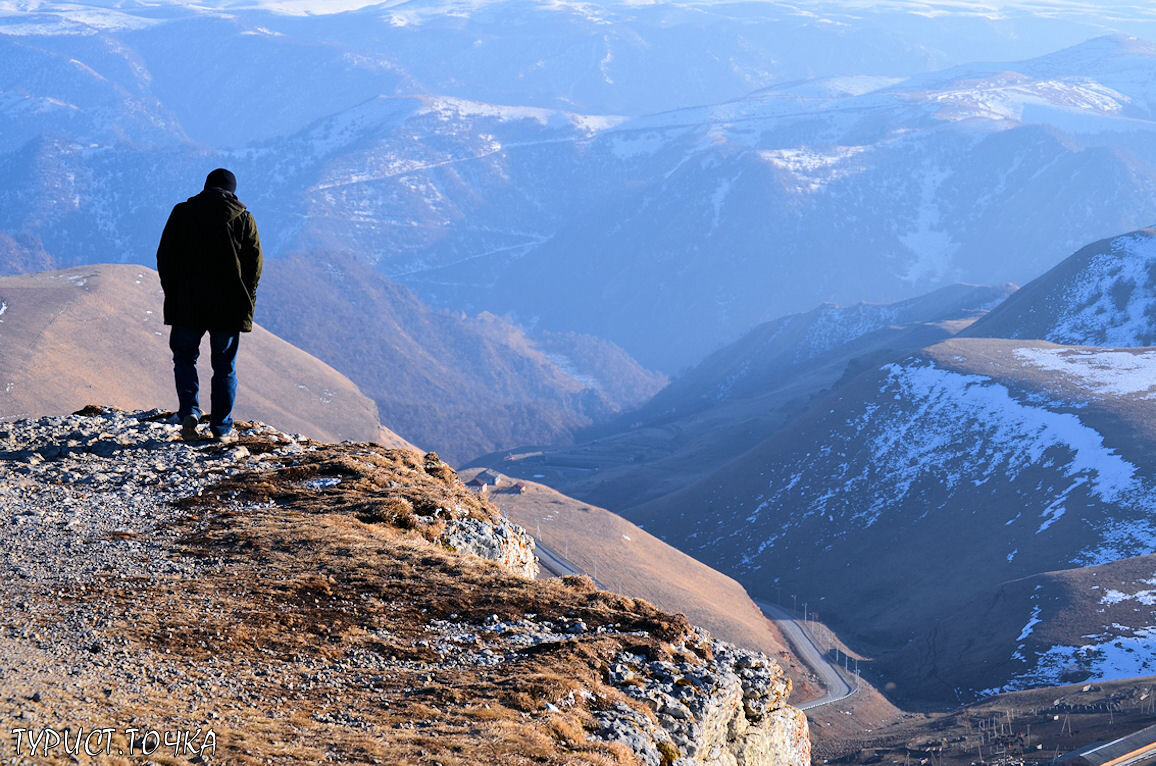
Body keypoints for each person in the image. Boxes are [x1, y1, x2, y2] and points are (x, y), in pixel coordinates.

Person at [156, 168, 263, 443]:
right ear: (232, 190)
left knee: (184, 358)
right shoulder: (243, 219)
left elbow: (165, 256)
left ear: (206, 187)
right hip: (227, 307)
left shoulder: (182, 212)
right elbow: (255, 265)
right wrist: (246, 299)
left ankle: (190, 411)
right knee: (225, 366)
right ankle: (222, 428)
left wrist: (173, 293)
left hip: (188, 304)